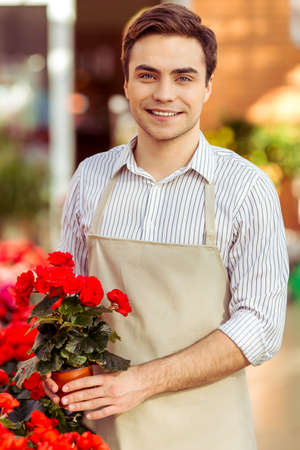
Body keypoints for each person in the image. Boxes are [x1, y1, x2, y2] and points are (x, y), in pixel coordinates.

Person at [44, 3, 289, 449]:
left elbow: (261, 327)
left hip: (209, 436)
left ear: (208, 87)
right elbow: (69, 300)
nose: (164, 94)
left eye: (183, 76)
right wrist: (56, 369)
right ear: (127, 83)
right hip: (102, 435)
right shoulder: (91, 178)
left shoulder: (245, 189)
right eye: (147, 74)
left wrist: (141, 382)